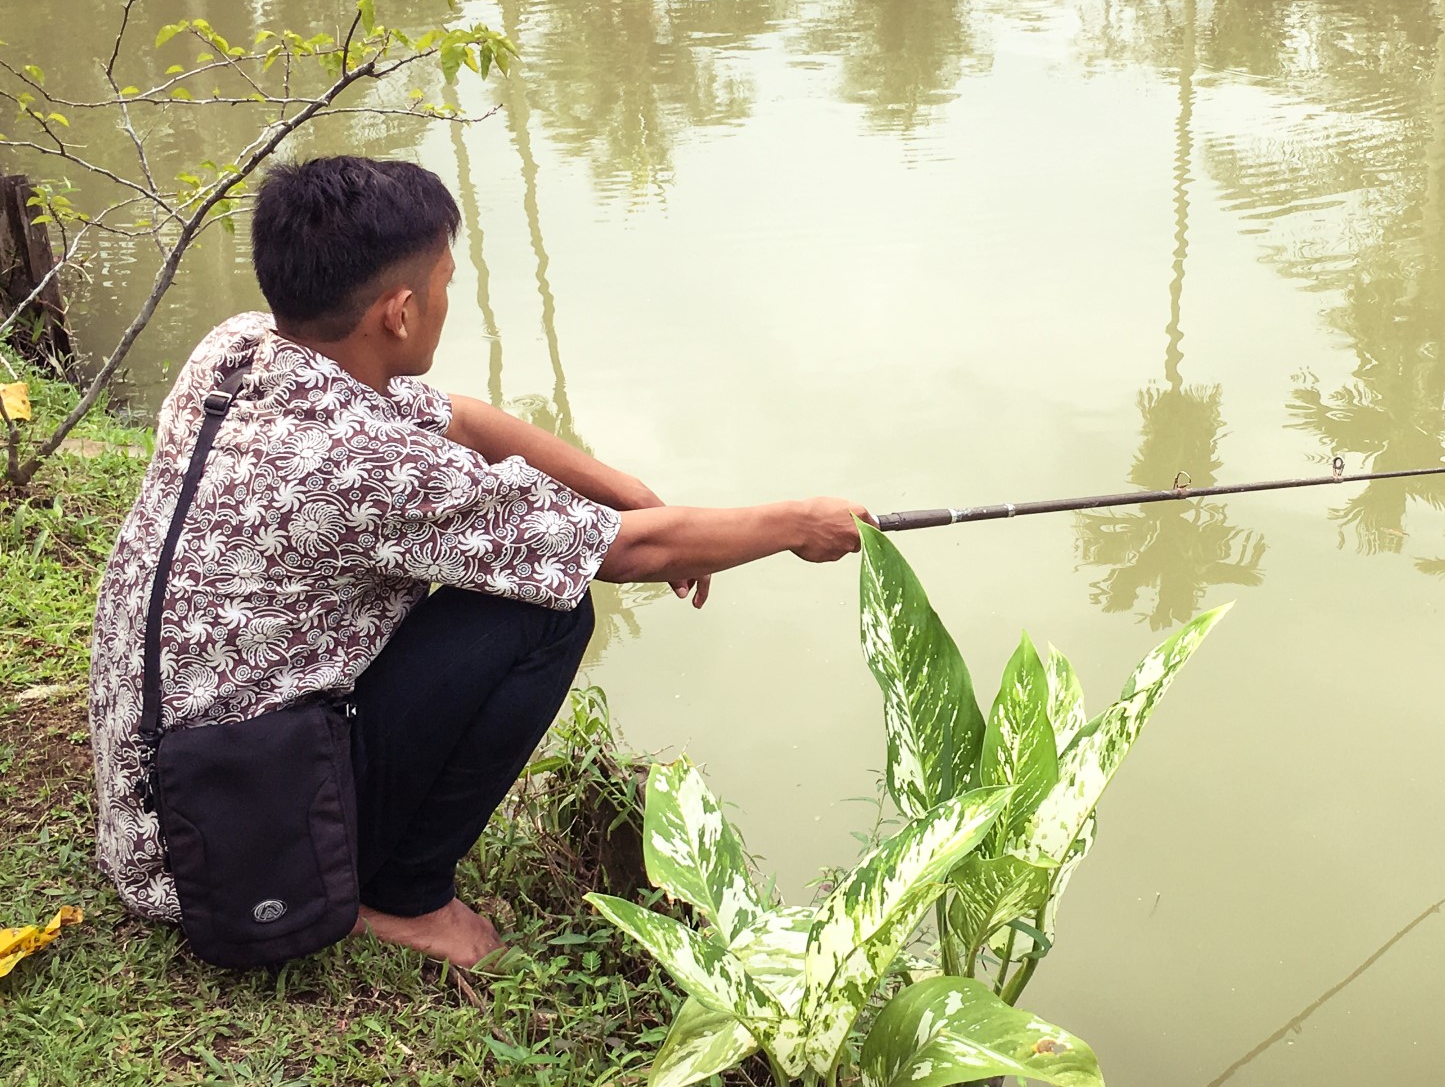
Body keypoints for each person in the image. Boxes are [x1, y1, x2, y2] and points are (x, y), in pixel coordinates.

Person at [86, 155, 871, 968]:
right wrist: (795, 522)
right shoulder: (371, 465)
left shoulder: (243, 348)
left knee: (520, 578)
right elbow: (627, 553)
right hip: (223, 855)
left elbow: (462, 418)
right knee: (544, 611)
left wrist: (627, 487)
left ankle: (367, 867)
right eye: (444, 284)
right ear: (398, 311)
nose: (447, 300)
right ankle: (400, 894)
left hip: (152, 798)